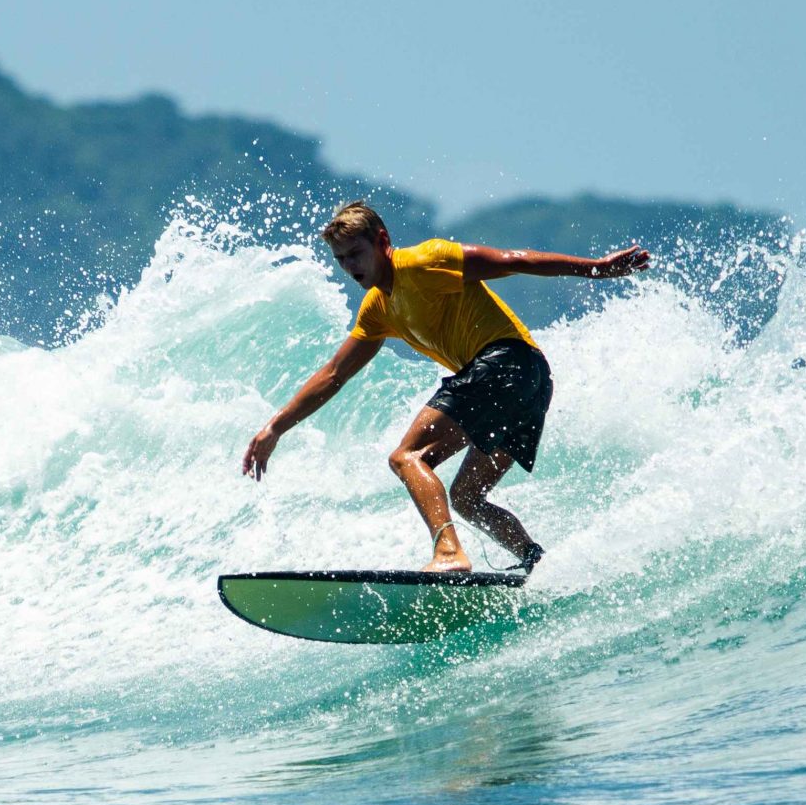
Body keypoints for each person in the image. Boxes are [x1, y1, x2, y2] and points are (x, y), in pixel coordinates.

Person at [240, 202, 649, 573]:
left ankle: (450, 555)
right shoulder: (377, 309)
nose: (349, 267)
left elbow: (513, 260)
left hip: (505, 362)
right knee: (468, 497)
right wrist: (275, 427)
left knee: (407, 456)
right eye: (340, 259)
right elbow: (334, 374)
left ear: (382, 241)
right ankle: (533, 561)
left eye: (355, 254)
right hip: (533, 383)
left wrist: (594, 269)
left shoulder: (424, 261)